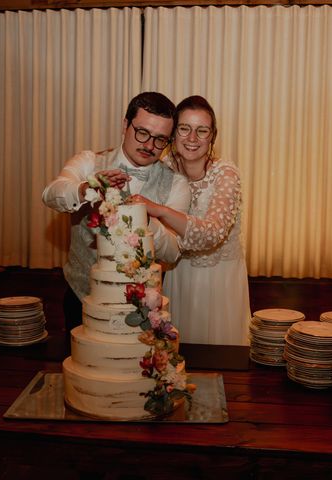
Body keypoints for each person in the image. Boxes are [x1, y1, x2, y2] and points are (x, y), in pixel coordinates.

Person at [42, 92, 191, 333]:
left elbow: (173, 252)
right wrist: (86, 188)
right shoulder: (89, 161)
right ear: (125, 125)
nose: (149, 146)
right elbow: (51, 194)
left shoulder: (176, 184)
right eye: (142, 132)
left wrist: (145, 217)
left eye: (160, 139)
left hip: (143, 309)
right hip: (80, 298)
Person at [130, 95, 251, 346]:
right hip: (177, 275)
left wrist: (160, 211)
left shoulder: (225, 174)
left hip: (220, 282)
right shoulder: (163, 169)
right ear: (173, 134)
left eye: (202, 130)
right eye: (184, 129)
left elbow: (212, 234)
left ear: (212, 136)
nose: (192, 138)